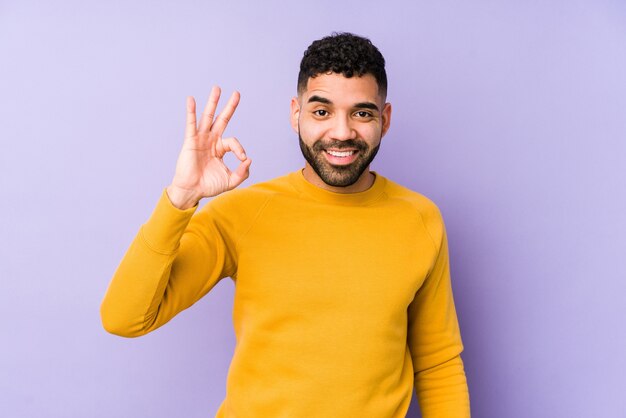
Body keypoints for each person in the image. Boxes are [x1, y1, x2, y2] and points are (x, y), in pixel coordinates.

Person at [101, 32, 470, 417]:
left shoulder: (420, 218)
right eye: (321, 111)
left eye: (362, 113)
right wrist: (180, 198)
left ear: (385, 118)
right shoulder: (242, 214)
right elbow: (124, 318)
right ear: (296, 113)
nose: (342, 132)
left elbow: (438, 363)